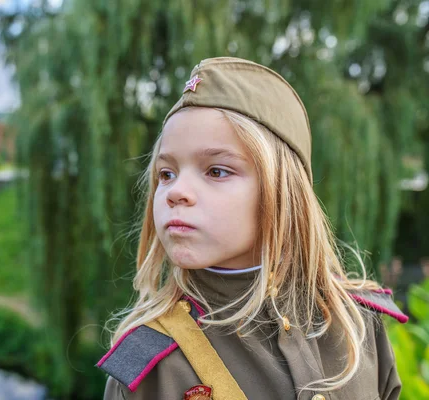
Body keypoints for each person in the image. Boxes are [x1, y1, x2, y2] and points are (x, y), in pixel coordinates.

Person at [96, 57, 408, 400]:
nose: (175, 192)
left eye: (216, 171)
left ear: (284, 192)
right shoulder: (152, 372)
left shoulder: (358, 328)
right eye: (166, 174)